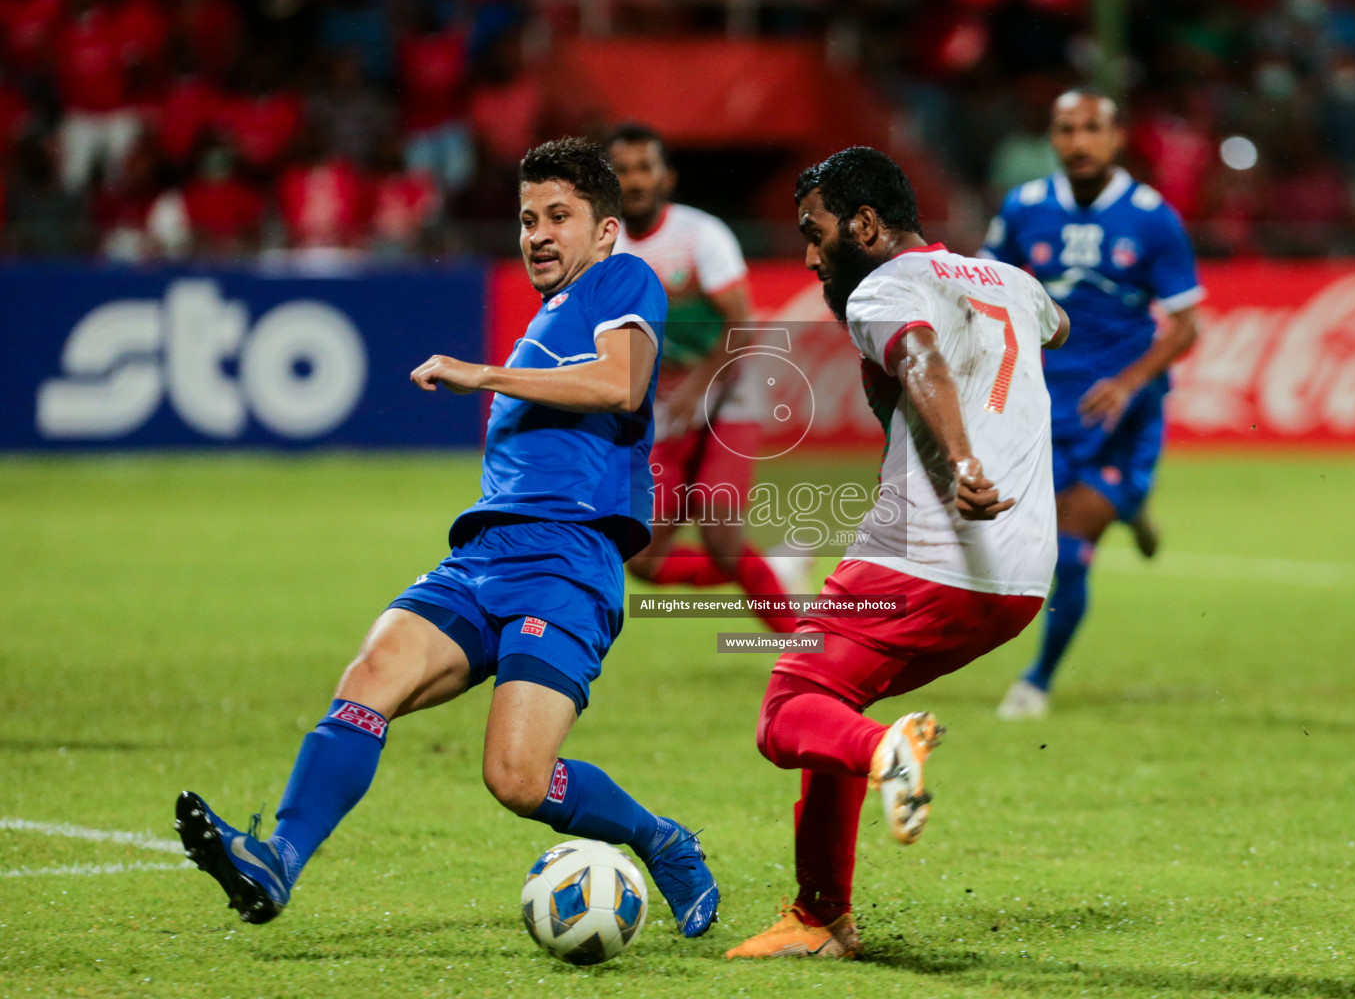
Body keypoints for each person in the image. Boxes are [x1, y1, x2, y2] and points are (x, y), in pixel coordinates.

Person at [174, 138, 721, 940]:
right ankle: (277, 860)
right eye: (528, 217)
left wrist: (483, 373)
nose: (536, 233)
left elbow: (621, 384)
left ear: (604, 230)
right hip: (483, 559)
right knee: (372, 675)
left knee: (517, 777)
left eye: (558, 217)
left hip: (566, 565)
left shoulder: (621, 279)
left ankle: (660, 840)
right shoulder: (547, 318)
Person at [726, 147, 1069, 959]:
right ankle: (822, 919)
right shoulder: (1012, 282)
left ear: (867, 225)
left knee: (786, 715)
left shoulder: (881, 288)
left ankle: (887, 754)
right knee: (830, 700)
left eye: (816, 233)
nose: (811, 255)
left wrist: (961, 458)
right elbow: (1061, 324)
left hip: (924, 553)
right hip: (1018, 578)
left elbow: (919, 357)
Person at [983, 89, 1203, 720]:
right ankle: (1134, 509)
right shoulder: (1024, 209)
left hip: (1119, 412)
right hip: (1041, 408)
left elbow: (1187, 324)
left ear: (1117, 138)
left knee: (1071, 551)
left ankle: (1038, 682)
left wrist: (1131, 383)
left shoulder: (1152, 217)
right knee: (1017, 544)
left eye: (1090, 130)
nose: (1077, 142)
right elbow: (987, 289)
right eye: (1064, 129)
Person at [608, 124, 810, 632]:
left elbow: (740, 322)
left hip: (728, 394)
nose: (633, 180)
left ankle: (805, 645)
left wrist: (698, 387)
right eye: (621, 170)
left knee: (720, 532)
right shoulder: (601, 248)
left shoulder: (700, 235)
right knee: (644, 560)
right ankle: (778, 570)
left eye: (643, 168)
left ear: (666, 178)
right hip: (668, 411)